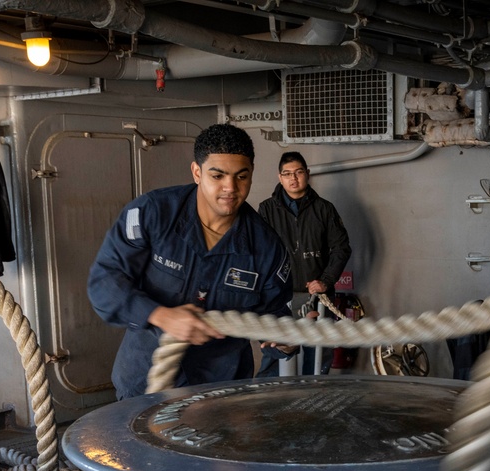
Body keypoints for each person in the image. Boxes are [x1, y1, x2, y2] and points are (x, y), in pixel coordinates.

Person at [88, 124, 293, 400]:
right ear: (197, 172)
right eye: (217, 175)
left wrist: (287, 342)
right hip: (145, 380)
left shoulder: (267, 249)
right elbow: (105, 283)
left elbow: (273, 319)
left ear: (251, 175)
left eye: (241, 176)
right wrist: (162, 316)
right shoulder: (153, 214)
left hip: (221, 392)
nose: (230, 188)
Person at [257, 151, 351, 376]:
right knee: (275, 353)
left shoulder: (324, 209)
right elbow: (260, 252)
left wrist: (326, 281)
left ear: (307, 174)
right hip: (279, 297)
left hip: (317, 295)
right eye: (287, 174)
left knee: (317, 356)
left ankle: (313, 406)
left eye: (298, 172)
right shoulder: (267, 210)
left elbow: (341, 248)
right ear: (279, 177)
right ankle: (269, 406)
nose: (293, 178)